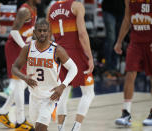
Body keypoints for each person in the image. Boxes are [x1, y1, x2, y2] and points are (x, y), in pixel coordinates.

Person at [12, 18, 77, 131]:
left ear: (49, 32)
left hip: (50, 95)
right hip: (34, 95)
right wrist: (24, 77)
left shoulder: (57, 50)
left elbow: (73, 68)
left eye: (45, 30)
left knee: (40, 128)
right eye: (39, 30)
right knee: (38, 127)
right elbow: (14, 68)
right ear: (34, 32)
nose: (42, 33)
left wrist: (63, 86)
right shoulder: (27, 48)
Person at [0, 0, 41, 130]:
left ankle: (2, 112)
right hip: (15, 48)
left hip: (23, 47)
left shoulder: (34, 8)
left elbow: (30, 31)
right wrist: (26, 47)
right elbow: (14, 32)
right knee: (20, 83)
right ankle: (20, 121)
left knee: (24, 84)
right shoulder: (24, 10)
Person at [47, 0, 95, 131]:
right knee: (89, 93)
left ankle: (60, 129)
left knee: (63, 93)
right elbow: (82, 34)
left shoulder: (51, 9)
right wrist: (90, 57)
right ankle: (76, 127)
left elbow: (47, 36)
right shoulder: (77, 6)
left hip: (59, 53)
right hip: (76, 52)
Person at [114, 0, 152, 126]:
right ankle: (126, 113)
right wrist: (119, 41)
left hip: (150, 41)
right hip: (135, 42)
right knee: (130, 73)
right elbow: (127, 18)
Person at [102, 0, 125, 72]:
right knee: (111, 38)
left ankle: (115, 66)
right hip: (108, 9)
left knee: (119, 39)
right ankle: (108, 66)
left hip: (122, 10)